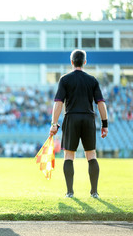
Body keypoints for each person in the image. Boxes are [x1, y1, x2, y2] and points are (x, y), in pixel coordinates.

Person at [49, 49, 108, 199]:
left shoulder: (65, 79)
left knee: (69, 155)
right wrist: (104, 124)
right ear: (85, 62)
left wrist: (54, 123)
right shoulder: (92, 80)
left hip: (71, 118)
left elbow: (58, 103)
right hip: (88, 118)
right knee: (91, 155)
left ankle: (70, 192)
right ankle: (94, 192)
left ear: (72, 62)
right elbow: (101, 103)